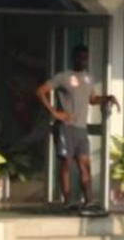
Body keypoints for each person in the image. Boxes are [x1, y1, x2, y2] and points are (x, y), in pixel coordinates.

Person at [37, 45, 119, 211]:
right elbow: (40, 91)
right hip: (65, 128)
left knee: (84, 164)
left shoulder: (88, 78)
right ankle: (67, 201)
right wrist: (55, 112)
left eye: (85, 57)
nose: (83, 60)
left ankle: (88, 201)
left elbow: (93, 99)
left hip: (81, 128)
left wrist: (107, 98)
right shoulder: (63, 77)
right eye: (80, 57)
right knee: (66, 164)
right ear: (73, 58)